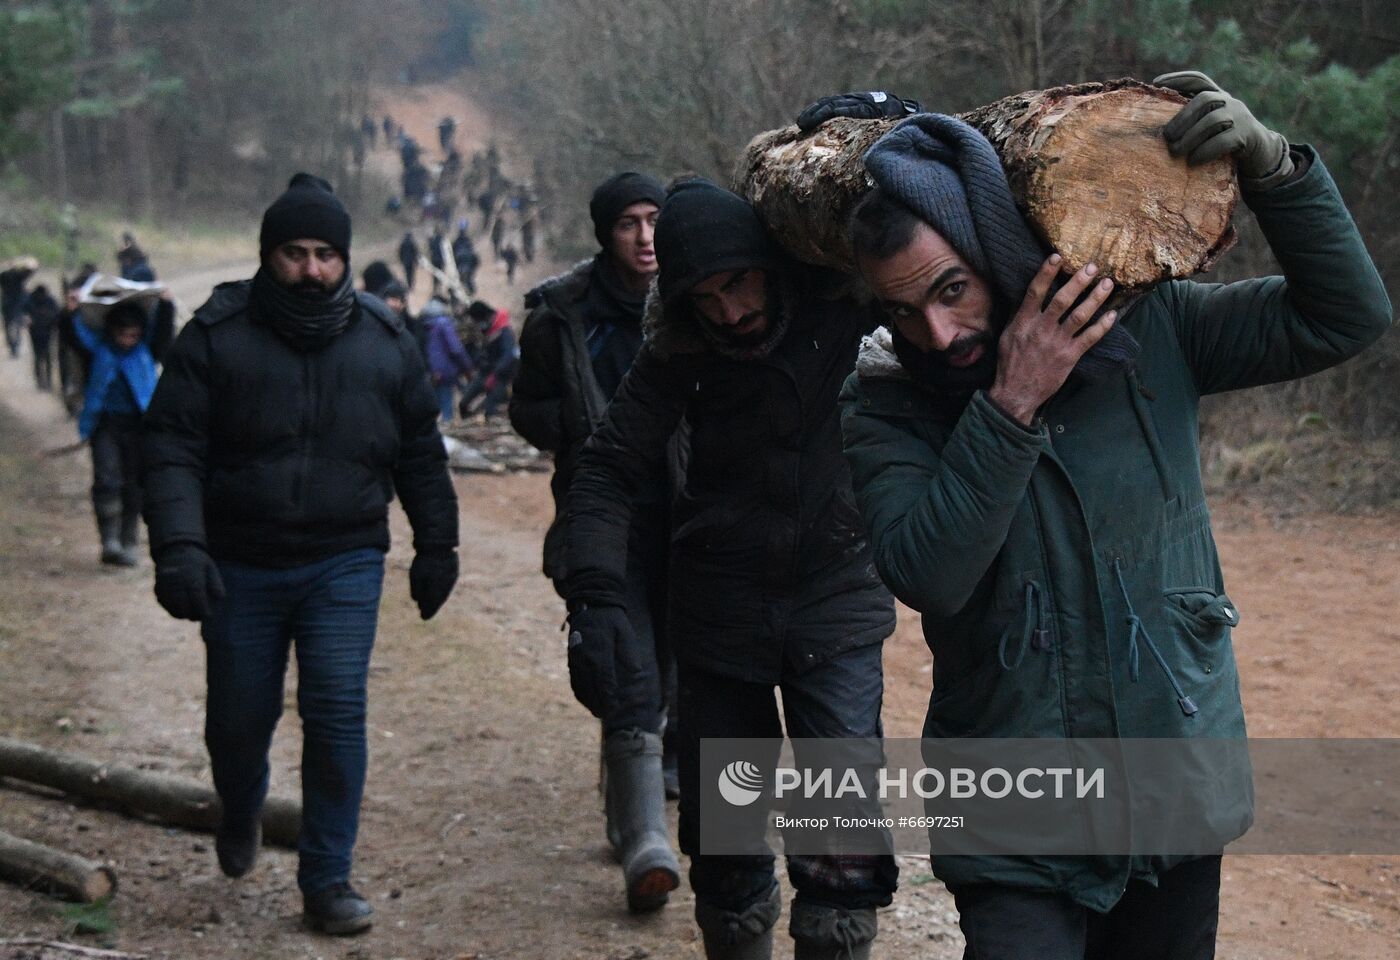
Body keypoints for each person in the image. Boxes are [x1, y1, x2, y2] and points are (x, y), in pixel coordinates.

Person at [834, 73, 1393, 960]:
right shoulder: (887, 401)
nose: (936, 335)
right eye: (903, 311)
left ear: (995, 248)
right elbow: (930, 574)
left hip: (1171, 774)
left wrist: (1278, 170)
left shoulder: (1147, 332)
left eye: (952, 291)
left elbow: (1345, 316)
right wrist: (1009, 403)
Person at [561, 178, 899, 958]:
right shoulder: (680, 351)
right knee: (727, 846)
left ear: (769, 266)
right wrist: (596, 594)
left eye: (739, 285)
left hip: (836, 600)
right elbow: (606, 468)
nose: (731, 313)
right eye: (706, 297)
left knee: (840, 841)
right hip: (719, 616)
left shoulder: (846, 308)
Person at [141, 173, 460, 936]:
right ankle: (241, 804)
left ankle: (327, 878)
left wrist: (437, 543)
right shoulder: (216, 336)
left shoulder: (385, 342)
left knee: (336, 710)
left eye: (326, 254)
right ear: (266, 255)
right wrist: (181, 547)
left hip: (344, 559)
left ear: (346, 259)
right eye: (294, 253)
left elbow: (420, 451)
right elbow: (172, 448)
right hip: (238, 564)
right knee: (238, 722)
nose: (311, 270)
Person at [510, 171, 687, 912]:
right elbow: (527, 409)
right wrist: (587, 435)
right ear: (604, 233)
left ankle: (642, 792)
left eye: (654, 221)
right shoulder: (562, 315)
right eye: (628, 224)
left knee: (676, 663)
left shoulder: (695, 296)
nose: (645, 238)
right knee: (624, 664)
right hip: (601, 515)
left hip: (685, 512)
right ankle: (646, 843)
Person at [71, 285, 174, 565]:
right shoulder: (97, 351)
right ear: (112, 331)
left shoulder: (146, 351)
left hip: (141, 426)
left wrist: (166, 305)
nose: (129, 340)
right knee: (107, 480)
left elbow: (164, 332)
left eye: (134, 335)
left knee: (134, 484)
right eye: (123, 334)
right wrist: (70, 312)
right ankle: (109, 540)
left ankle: (129, 540)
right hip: (105, 425)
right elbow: (74, 335)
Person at [457, 300, 518, 420]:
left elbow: (507, 356)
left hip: (500, 376)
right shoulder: (483, 332)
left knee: (490, 409)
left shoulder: (504, 332)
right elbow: (480, 353)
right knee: (463, 404)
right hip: (484, 372)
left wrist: (494, 375)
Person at [423, 298, 475, 422]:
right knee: (447, 403)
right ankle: (447, 427)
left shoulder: (425, 325)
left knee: (434, 403)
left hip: (430, 370)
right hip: (446, 370)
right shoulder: (444, 323)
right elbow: (456, 348)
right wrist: (467, 366)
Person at [23, 283, 61, 390]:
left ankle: (40, 381)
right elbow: (57, 314)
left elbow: (25, 314)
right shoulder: (50, 300)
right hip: (47, 331)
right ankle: (48, 380)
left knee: (37, 356)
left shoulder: (30, 300)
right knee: (48, 356)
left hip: (35, 332)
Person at [0, 256, 37, 359]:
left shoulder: (3, 275)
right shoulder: (19, 275)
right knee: (16, 326)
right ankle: (15, 347)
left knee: (7, 326)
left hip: (7, 303)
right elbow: (30, 271)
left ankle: (12, 346)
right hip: (17, 304)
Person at [451, 223, 479, 296]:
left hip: (467, 263)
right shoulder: (458, 242)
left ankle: (469, 292)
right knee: (461, 279)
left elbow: (473, 254)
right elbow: (453, 253)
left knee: (467, 278)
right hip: (461, 263)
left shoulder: (467, 241)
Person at [427, 225, 447, 296]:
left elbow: (431, 248)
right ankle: (439, 289)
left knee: (435, 275)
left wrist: (429, 240)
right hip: (441, 260)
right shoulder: (443, 240)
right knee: (440, 274)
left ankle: (435, 289)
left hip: (435, 260)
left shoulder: (433, 239)